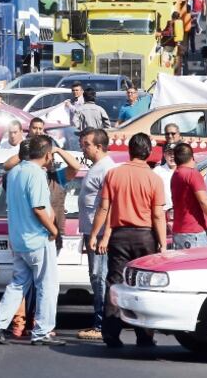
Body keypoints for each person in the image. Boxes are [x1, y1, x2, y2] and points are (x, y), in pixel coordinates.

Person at [0, 135, 66, 347]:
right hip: (38, 237)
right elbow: (39, 208)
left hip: (19, 237)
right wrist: (53, 229)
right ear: (47, 155)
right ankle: (42, 331)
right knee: (47, 285)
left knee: (19, 283)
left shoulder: (15, 173)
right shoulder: (36, 174)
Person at [89, 133, 165, 348]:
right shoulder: (154, 179)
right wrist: (163, 243)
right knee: (144, 285)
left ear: (130, 150)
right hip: (145, 236)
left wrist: (95, 234)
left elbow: (104, 208)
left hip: (119, 236)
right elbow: (158, 214)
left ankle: (111, 333)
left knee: (114, 282)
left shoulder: (114, 174)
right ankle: (145, 335)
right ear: (148, 152)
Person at [75, 129, 118, 342]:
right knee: (96, 277)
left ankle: (101, 325)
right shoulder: (97, 168)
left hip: (99, 233)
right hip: (92, 231)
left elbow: (109, 206)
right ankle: (101, 322)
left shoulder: (107, 169)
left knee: (100, 277)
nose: (83, 148)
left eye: (86, 144)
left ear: (99, 146)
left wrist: (104, 235)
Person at [170, 143, 207, 249]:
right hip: (193, 232)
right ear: (192, 157)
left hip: (179, 230)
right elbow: (203, 201)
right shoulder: (192, 174)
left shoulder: (176, 175)